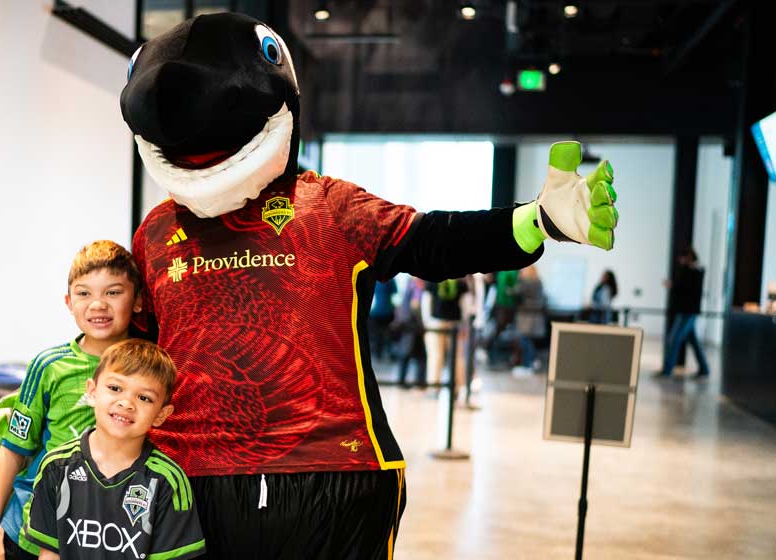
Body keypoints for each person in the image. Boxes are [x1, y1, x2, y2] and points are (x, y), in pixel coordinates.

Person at [122, 12, 619, 558]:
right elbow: (133, 349)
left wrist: (536, 221)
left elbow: (430, 241)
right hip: (185, 475)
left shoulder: (330, 207)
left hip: (331, 471)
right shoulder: (157, 231)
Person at [0, 240, 143, 560]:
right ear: (68, 302)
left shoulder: (150, 365)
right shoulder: (49, 365)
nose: (97, 304)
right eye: (84, 293)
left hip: (108, 533)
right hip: (29, 527)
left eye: (113, 292)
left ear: (137, 300)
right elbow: (13, 447)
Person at [25, 339, 205, 560]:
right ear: (92, 392)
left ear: (161, 414)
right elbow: (50, 555)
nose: (126, 403)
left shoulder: (169, 481)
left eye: (144, 398)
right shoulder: (56, 467)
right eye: (115, 388)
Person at [660, 248, 709, 377]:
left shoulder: (694, 271)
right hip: (686, 311)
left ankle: (667, 370)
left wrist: (673, 286)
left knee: (674, 339)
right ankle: (704, 369)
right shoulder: (691, 271)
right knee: (693, 342)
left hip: (688, 311)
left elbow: (687, 290)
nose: (681, 261)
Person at [421, 278, 468, 392]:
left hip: (435, 322)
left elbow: (426, 301)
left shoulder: (432, 278)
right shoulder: (461, 281)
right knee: (457, 357)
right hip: (455, 323)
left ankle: (434, 387)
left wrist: (426, 321)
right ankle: (457, 387)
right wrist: (464, 323)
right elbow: (466, 304)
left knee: (435, 356)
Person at [511, 266, 546, 374]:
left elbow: (515, 291)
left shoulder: (526, 282)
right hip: (535, 316)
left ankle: (528, 365)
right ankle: (531, 363)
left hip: (527, 316)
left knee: (525, 341)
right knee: (529, 341)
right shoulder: (538, 281)